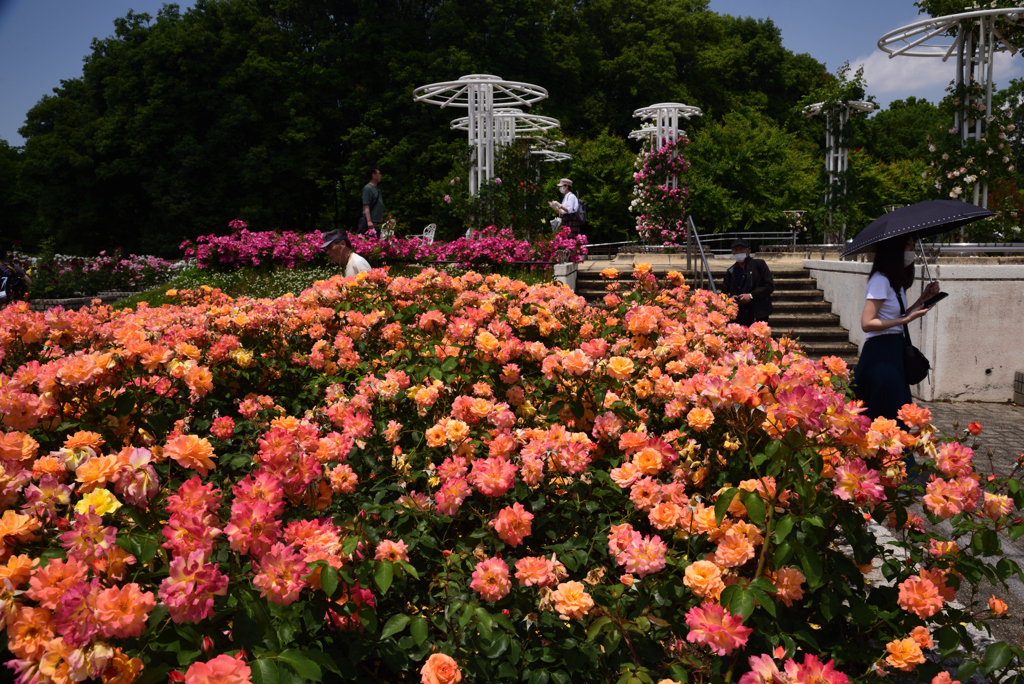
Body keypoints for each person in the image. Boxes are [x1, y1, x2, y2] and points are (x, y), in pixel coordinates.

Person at [854, 233, 940, 423]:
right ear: (894, 249)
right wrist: (906, 319)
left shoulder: (895, 282)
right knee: (886, 411)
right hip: (881, 352)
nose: (912, 251)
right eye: (908, 246)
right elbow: (867, 323)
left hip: (894, 348)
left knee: (897, 409)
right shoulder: (880, 280)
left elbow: (897, 316)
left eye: (913, 246)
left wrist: (923, 299)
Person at [720, 238, 773, 326]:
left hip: (758, 311)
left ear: (748, 250)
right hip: (739, 313)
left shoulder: (759, 265)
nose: (738, 252)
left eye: (741, 249)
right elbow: (724, 292)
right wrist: (731, 298)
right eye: (735, 250)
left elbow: (769, 286)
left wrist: (751, 295)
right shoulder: (731, 271)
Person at [361, 166, 384, 234]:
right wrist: (369, 221)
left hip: (378, 221)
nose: (380, 175)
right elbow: (366, 205)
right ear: (373, 175)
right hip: (372, 222)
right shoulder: (368, 188)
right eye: (379, 173)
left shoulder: (377, 190)